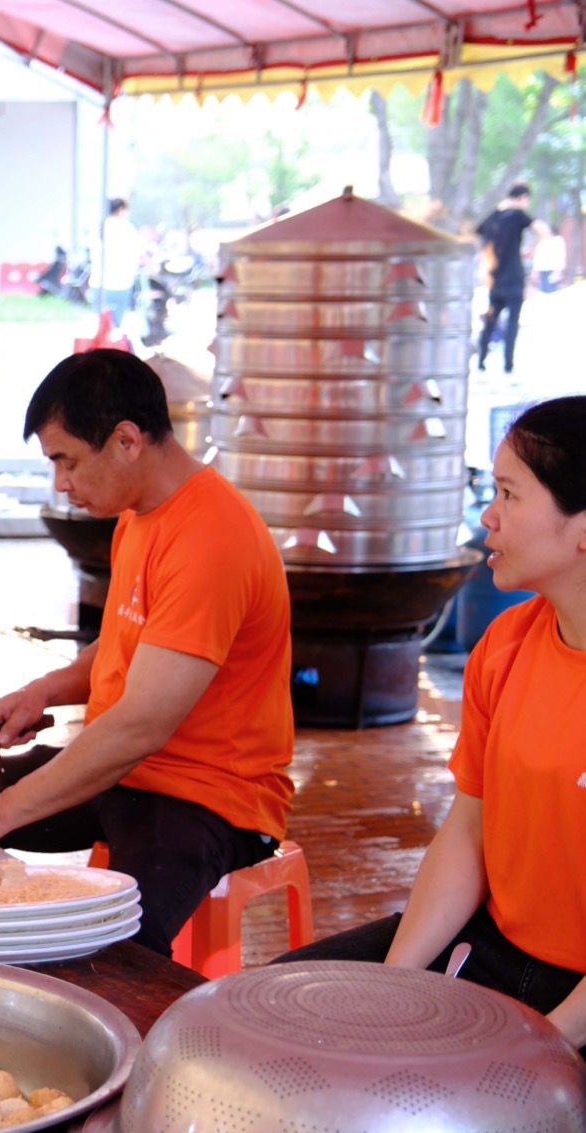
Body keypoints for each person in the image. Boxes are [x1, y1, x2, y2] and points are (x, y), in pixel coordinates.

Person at [0, 350, 294, 956]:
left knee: (115, 948)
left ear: (125, 441)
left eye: (66, 461)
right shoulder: (137, 515)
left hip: (204, 795)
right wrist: (49, 688)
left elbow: (141, 724)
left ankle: (130, 1042)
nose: (60, 483)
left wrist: (2, 810)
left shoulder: (212, 538)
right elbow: (129, 638)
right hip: (124, 770)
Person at [276, 396, 586, 1050]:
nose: (488, 516)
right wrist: (394, 987)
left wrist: (550, 1042)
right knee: (281, 1005)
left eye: (509, 494)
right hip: (499, 945)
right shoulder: (505, 645)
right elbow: (468, 831)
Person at [476, 183, 534, 373]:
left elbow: (480, 241)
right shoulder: (518, 216)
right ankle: (508, 366)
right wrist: (528, 251)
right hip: (514, 278)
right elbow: (544, 231)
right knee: (512, 323)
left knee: (490, 321)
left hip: (495, 279)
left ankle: (480, 362)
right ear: (523, 197)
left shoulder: (492, 217)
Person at [90, 199, 141, 330]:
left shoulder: (98, 227)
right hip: (121, 283)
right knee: (116, 326)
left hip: (98, 283)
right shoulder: (127, 228)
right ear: (121, 210)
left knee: (101, 325)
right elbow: (139, 253)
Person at [533, 220, 567, 293]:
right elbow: (538, 256)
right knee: (543, 291)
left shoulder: (558, 241)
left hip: (552, 269)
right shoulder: (543, 241)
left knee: (552, 290)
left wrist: (558, 270)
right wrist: (535, 270)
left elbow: (560, 256)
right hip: (542, 269)